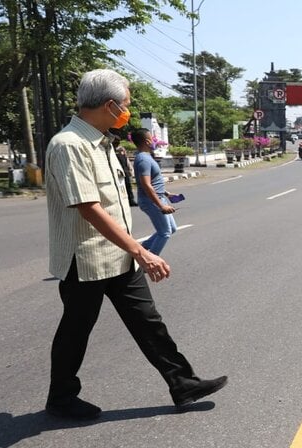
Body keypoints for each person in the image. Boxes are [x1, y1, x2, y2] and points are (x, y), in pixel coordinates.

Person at [44, 68, 226, 420]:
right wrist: (142, 251)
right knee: (76, 329)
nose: (128, 110)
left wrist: (131, 251)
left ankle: (182, 382)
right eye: (126, 104)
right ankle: (61, 396)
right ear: (110, 106)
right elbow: (88, 208)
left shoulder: (103, 143)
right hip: (86, 259)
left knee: (148, 321)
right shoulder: (69, 145)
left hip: (117, 255)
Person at [132, 128, 178, 256]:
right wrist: (161, 205)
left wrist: (166, 193)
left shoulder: (146, 157)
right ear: (147, 141)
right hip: (150, 200)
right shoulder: (143, 159)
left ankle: (143, 248)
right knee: (164, 232)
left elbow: (153, 182)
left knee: (172, 228)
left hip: (158, 197)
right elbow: (146, 185)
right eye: (152, 139)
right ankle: (148, 262)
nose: (154, 141)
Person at [112, 135, 138, 206]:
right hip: (116, 172)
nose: (117, 143)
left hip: (125, 171)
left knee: (128, 186)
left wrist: (130, 170)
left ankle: (131, 200)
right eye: (115, 142)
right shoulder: (111, 150)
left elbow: (126, 160)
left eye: (118, 142)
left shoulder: (121, 150)